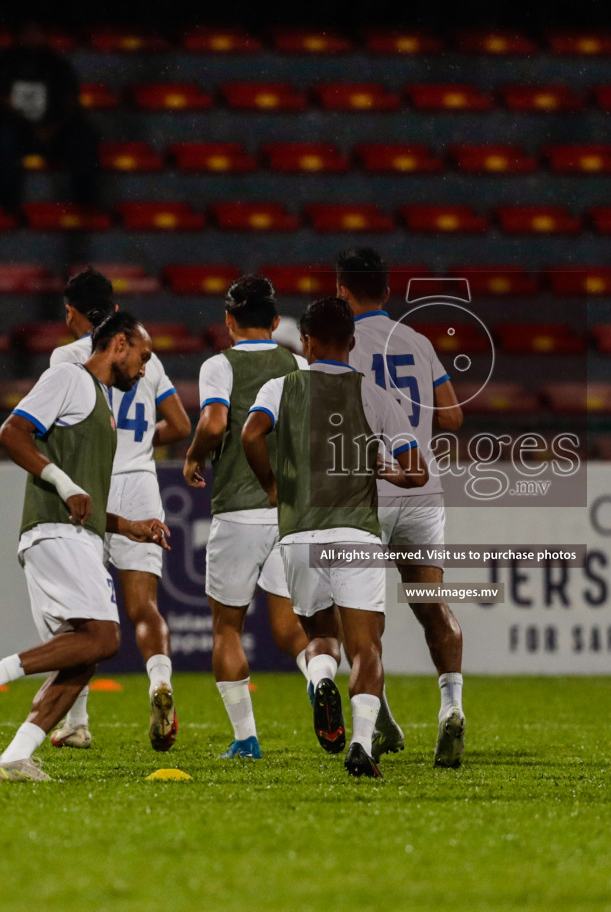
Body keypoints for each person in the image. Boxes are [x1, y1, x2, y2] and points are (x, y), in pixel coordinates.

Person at [0, 312, 170, 781]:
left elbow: (84, 498)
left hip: (78, 534)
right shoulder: (68, 377)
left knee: (84, 656)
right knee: (104, 638)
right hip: (53, 531)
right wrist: (63, 482)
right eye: (143, 357)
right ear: (120, 344)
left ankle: (13, 757)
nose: (145, 370)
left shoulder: (102, 404)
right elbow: (11, 432)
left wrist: (128, 526)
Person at [240, 296, 429, 778]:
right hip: (356, 535)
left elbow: (249, 435)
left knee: (322, 635)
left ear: (305, 341)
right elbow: (418, 473)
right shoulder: (374, 395)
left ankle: (321, 678)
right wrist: (385, 471)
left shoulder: (280, 387)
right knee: (367, 648)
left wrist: (272, 486)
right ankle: (362, 743)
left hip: (300, 534)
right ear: (351, 343)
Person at [45, 269, 192, 752]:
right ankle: (159, 683)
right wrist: (141, 444)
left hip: (92, 486)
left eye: (66, 311)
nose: (64, 320)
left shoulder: (68, 356)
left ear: (77, 312)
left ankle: (76, 723)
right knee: (143, 607)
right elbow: (180, 423)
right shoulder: (145, 353)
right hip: (141, 485)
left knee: (78, 616)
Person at [336, 247, 469, 768]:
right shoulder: (416, 341)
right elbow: (454, 417)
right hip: (422, 492)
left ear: (341, 289)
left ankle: (383, 721)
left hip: (368, 491)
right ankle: (451, 707)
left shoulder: (342, 345)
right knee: (432, 604)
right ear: (388, 291)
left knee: (361, 617)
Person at [182, 276, 310, 759]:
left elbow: (214, 423)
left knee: (227, 628)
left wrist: (194, 456)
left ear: (229, 321)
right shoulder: (298, 363)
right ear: (276, 323)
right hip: (291, 513)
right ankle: (319, 685)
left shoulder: (220, 364)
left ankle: (246, 740)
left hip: (238, 510)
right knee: (293, 630)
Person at [0, 21, 100, 215]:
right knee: (4, 137)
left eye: (35, 32)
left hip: (55, 131)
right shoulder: (3, 63)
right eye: (26, 32)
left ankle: (86, 205)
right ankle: (7, 208)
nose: (31, 37)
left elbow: (71, 103)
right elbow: (1, 103)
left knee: (84, 136)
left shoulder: (57, 64)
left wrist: (51, 128)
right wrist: (32, 128)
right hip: (19, 130)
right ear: (17, 36)